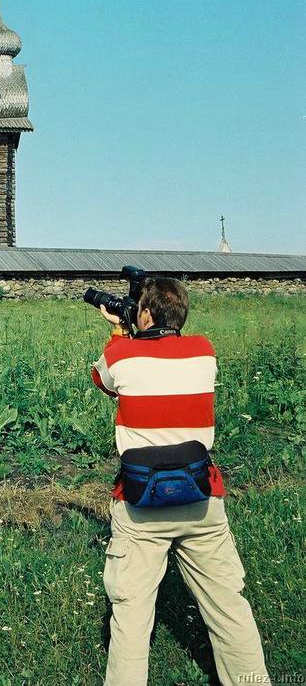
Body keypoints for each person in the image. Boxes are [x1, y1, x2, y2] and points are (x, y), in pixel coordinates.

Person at [91, 276, 271, 686]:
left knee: (132, 612)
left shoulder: (121, 355)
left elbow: (102, 381)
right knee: (227, 605)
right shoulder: (204, 351)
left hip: (140, 505)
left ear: (145, 314)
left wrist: (119, 330)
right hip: (201, 499)